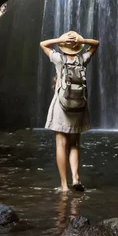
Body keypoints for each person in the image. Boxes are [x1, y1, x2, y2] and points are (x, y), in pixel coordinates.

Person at [40, 31, 99, 192]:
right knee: (74, 144)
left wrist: (60, 39)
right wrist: (83, 39)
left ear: (64, 46)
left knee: (61, 144)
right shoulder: (83, 59)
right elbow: (96, 44)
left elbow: (43, 44)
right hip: (79, 106)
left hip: (62, 106)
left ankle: (64, 185)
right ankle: (76, 178)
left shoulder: (59, 59)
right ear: (78, 47)